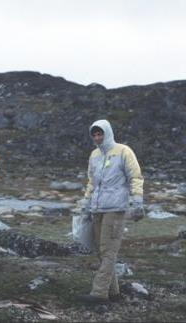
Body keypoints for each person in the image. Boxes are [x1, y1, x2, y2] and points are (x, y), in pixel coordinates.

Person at [78, 119, 144, 304]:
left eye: (100, 134)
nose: (97, 137)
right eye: (95, 134)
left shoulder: (123, 151)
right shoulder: (94, 155)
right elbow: (92, 182)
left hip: (115, 209)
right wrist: (85, 204)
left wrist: (137, 201)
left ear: (107, 133)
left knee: (108, 251)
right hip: (97, 209)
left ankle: (99, 293)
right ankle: (113, 292)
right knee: (102, 251)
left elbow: (135, 177)